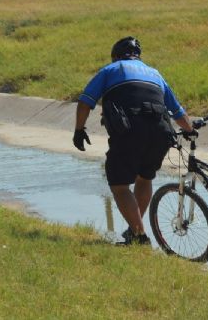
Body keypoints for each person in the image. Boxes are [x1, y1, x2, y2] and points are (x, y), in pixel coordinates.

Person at [73, 36, 195, 246]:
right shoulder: (155, 73)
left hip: (130, 131)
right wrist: (191, 131)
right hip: (161, 133)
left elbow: (85, 102)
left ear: (116, 56)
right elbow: (178, 112)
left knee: (119, 186)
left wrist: (79, 130)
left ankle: (140, 236)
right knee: (144, 178)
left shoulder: (110, 70)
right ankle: (134, 231)